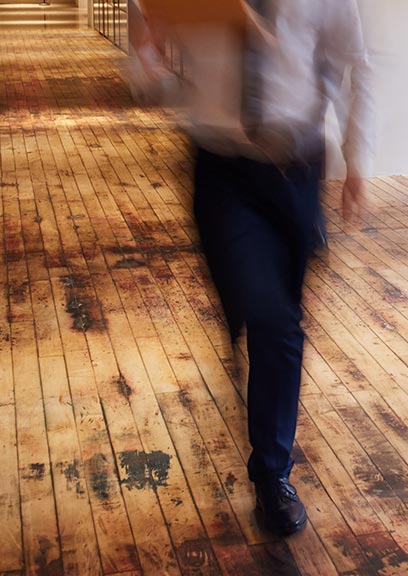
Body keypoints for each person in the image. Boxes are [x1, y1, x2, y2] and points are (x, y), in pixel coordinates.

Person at [130, 0, 377, 536]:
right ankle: (272, 474)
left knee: (279, 323)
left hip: (296, 172)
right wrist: (145, 48)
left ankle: (271, 471)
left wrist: (357, 159)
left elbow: (357, 61)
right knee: (266, 314)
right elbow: (149, 12)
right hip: (223, 169)